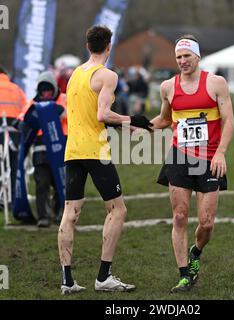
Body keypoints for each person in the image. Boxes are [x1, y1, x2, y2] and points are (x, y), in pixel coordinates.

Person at [58, 25, 153, 295]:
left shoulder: (76, 74)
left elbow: (88, 115)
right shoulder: (107, 75)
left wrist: (125, 126)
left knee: (70, 213)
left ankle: (67, 280)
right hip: (95, 151)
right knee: (118, 210)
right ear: (109, 46)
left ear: (88, 46)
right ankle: (103, 277)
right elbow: (101, 114)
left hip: (72, 151)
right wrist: (134, 120)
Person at [150, 35, 234, 293]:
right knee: (179, 216)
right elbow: (164, 120)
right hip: (179, 157)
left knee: (206, 222)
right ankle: (184, 274)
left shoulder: (216, 83)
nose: (182, 61)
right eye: (178, 57)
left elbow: (229, 120)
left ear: (197, 56)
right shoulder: (168, 87)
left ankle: (195, 251)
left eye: (187, 56)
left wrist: (221, 152)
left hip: (209, 158)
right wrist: (138, 125)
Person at [23, 71, 67, 227]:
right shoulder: (33, 104)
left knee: (60, 182)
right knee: (42, 183)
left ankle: (60, 211)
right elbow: (26, 121)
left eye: (49, 90)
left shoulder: (64, 99)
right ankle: (43, 216)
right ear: (38, 91)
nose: (46, 93)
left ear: (54, 88)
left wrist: (59, 112)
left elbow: (72, 116)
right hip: (40, 150)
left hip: (60, 147)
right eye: (43, 90)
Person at [0, 65, 27, 207]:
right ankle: (11, 199)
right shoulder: (16, 89)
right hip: (14, 131)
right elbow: (26, 109)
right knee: (13, 165)